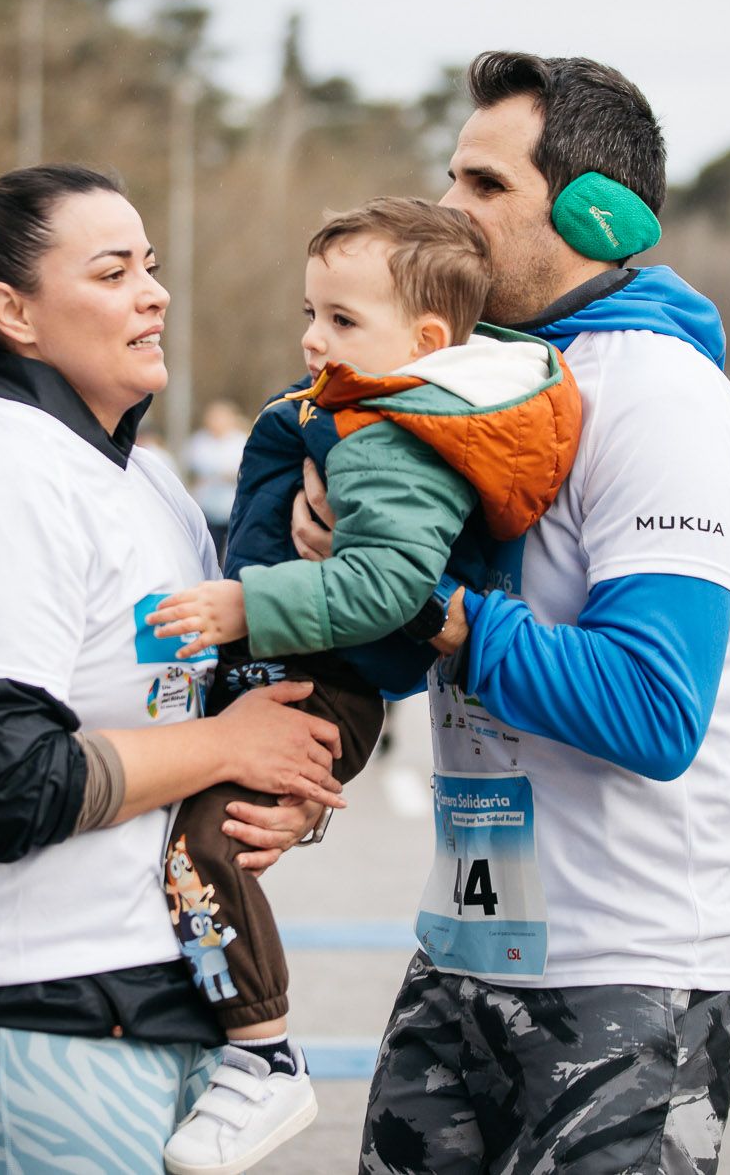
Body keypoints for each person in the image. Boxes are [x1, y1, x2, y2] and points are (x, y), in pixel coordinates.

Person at [318, 52, 730, 1175]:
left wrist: (440, 611)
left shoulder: (655, 396)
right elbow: (397, 655)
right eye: (449, 178)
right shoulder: (481, 386)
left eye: (485, 186)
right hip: (474, 940)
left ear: (592, 212)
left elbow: (651, 707)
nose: (445, 210)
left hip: (633, 954)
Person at [0, 165, 346, 1174]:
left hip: (152, 989)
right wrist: (223, 744)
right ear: (12, 312)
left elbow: (208, 702)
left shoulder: (142, 477)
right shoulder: (8, 489)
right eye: (112, 272)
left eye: (148, 267)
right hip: (31, 1006)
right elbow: (6, 784)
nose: (152, 293)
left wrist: (288, 789)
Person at [145, 196, 579, 1174]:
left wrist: (244, 605)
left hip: (318, 680)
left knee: (201, 849)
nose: (311, 338)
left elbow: (386, 584)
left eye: (341, 322)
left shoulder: (395, 434)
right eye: (310, 313)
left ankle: (260, 1056)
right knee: (182, 838)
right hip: (292, 667)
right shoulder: (367, 408)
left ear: (425, 340)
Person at [184, 399, 250, 557]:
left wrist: (226, 475)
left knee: (233, 551)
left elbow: (246, 471)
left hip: (234, 508)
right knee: (209, 550)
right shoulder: (199, 442)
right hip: (207, 508)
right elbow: (192, 471)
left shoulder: (240, 441)